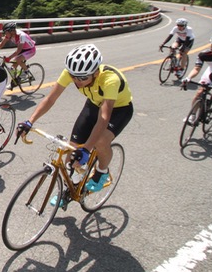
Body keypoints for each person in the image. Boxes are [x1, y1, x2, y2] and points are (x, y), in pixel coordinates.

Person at [17, 44, 133, 196]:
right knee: (71, 149)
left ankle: (101, 172)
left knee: (100, 142)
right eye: (73, 76)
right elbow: (51, 98)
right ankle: (70, 188)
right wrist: (29, 121)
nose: (77, 81)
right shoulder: (72, 73)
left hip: (119, 109)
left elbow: (104, 118)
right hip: (94, 103)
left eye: (83, 78)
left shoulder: (110, 80)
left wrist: (86, 149)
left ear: (96, 73)